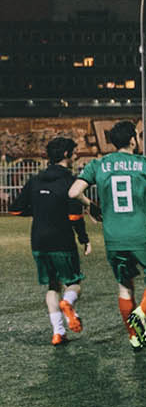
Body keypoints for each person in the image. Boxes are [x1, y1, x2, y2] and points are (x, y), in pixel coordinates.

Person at [68, 120, 146, 351]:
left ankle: (135, 338)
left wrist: (90, 205)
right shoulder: (144, 162)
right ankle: (140, 313)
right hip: (141, 235)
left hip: (114, 238)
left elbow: (73, 192)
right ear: (132, 140)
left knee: (125, 287)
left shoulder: (98, 164)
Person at [11, 137, 89, 345]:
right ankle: (68, 303)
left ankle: (58, 332)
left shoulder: (35, 180)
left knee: (52, 286)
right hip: (61, 240)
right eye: (74, 152)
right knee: (73, 283)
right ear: (66, 155)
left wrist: (39, 210)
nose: (76, 156)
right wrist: (84, 239)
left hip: (38, 241)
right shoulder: (70, 181)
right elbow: (75, 216)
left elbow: (15, 209)